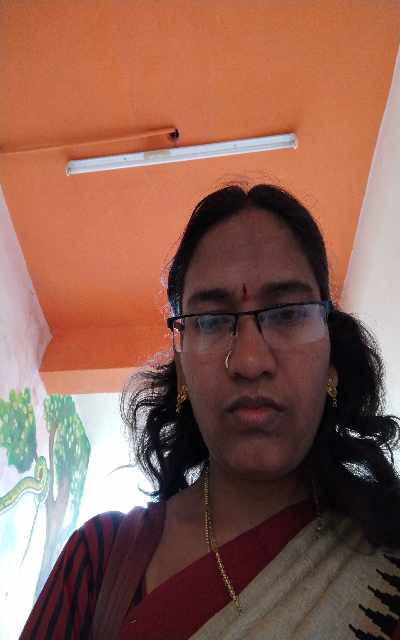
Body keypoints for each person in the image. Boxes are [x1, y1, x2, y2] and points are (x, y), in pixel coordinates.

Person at [20, 184, 400, 639]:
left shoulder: (386, 560)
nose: (250, 361)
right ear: (182, 373)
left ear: (332, 358)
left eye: (286, 313)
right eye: (211, 321)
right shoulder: (100, 561)